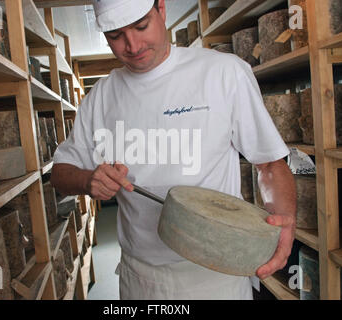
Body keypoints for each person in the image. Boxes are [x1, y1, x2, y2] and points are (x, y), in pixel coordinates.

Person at [51, 0, 296, 300]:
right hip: (142, 278)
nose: (132, 44)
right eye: (115, 35)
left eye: (141, 26)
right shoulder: (100, 98)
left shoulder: (224, 72)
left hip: (217, 272)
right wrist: (88, 181)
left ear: (161, 10)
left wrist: (283, 222)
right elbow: (60, 173)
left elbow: (269, 164)